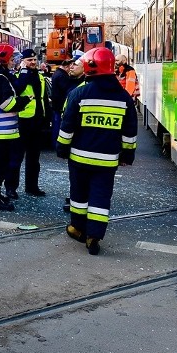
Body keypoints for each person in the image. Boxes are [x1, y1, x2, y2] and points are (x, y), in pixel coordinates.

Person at [56, 47, 138, 255]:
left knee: (79, 195)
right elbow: (130, 132)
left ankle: (77, 229)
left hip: (79, 157)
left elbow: (67, 126)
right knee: (101, 197)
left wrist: (62, 148)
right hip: (107, 160)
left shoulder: (79, 93)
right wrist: (127, 155)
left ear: (91, 66)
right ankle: (94, 236)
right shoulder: (124, 98)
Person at [0, 44, 32, 211]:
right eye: (11, 58)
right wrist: (25, 101)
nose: (13, 61)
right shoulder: (0, 78)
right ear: (4, 59)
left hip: (1, 130)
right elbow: (7, 104)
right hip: (2, 131)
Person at [5, 49, 50, 198]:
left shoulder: (41, 77)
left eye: (34, 60)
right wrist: (24, 72)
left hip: (37, 121)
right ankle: (11, 188)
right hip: (22, 121)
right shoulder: (18, 76)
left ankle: (32, 187)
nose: (33, 62)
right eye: (29, 60)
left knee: (34, 158)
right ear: (23, 61)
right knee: (16, 157)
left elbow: (43, 99)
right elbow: (18, 90)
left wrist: (46, 118)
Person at [49, 51, 84, 150]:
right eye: (71, 65)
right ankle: (57, 144)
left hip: (59, 105)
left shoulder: (60, 75)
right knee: (59, 126)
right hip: (60, 106)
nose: (72, 67)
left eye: (75, 65)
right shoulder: (63, 76)